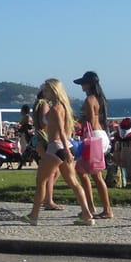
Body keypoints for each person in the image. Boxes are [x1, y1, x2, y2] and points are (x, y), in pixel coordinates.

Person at [22, 78, 95, 227]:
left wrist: (67, 152)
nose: (44, 92)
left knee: (41, 181)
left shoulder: (55, 108)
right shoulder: (62, 106)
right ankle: (87, 215)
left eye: (47, 90)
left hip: (56, 147)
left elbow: (60, 131)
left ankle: (34, 215)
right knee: (73, 183)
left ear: (54, 91)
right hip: (64, 146)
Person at [74, 71, 113, 220]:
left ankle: (100, 209)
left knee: (92, 175)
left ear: (88, 84)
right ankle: (93, 207)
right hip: (99, 135)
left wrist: (75, 120)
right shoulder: (99, 99)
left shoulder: (90, 99)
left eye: (83, 83)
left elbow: (89, 120)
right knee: (87, 173)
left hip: (93, 136)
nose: (81, 86)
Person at [32, 91, 62, 211]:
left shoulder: (37, 104)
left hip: (39, 137)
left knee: (52, 171)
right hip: (44, 137)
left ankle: (46, 198)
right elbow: (44, 123)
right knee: (52, 171)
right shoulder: (44, 104)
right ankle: (48, 200)